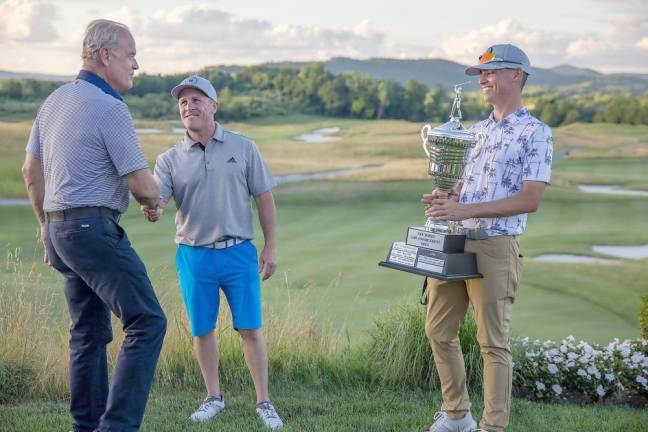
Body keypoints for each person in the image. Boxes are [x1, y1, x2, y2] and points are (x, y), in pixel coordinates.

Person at [21, 19, 167, 432]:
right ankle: (116, 427)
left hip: (60, 231)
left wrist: (46, 229)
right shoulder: (110, 108)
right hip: (93, 231)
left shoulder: (53, 101)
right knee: (147, 321)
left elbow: (31, 172)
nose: (136, 65)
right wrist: (155, 201)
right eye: (131, 54)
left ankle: (85, 427)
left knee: (88, 333)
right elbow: (141, 183)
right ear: (106, 56)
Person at [421, 44, 553, 432]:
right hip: (455, 241)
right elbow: (464, 190)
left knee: (492, 343)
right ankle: (457, 415)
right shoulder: (474, 132)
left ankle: (493, 427)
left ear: (517, 76)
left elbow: (530, 199)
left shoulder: (536, 133)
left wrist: (464, 210)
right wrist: (445, 197)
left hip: (495, 247)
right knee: (438, 330)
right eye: (481, 74)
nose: (483, 80)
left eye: (491, 73)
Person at [143, 75, 283, 429]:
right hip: (194, 255)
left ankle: (264, 402)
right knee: (201, 330)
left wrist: (270, 246)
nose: (189, 106)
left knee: (250, 328)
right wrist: (153, 208)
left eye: (197, 99)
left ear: (214, 106)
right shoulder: (169, 159)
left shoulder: (243, 147)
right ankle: (213, 397)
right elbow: (158, 199)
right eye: (183, 102)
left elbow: (264, 198)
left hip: (238, 252)